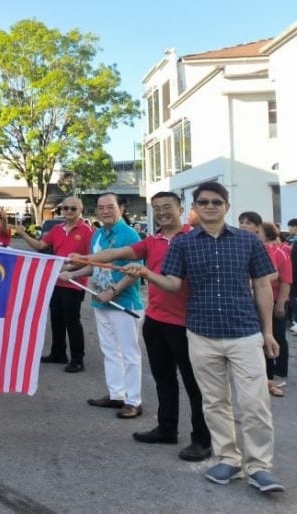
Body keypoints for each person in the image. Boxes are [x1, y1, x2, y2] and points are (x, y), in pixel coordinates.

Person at [128, 181, 284, 493]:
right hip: (201, 334)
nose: (210, 206)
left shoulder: (248, 241)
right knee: (215, 402)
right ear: (195, 208)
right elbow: (172, 283)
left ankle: (259, 466)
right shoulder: (183, 245)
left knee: (255, 403)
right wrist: (146, 274)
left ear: (226, 206)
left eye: (216, 201)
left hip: (244, 333)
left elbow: (264, 285)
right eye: (203, 202)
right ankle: (228, 458)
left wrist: (268, 331)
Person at [82, 192, 211, 460]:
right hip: (156, 320)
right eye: (157, 209)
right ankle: (167, 429)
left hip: (188, 323)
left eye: (168, 207)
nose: (162, 212)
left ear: (181, 208)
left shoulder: (195, 239)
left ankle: (202, 439)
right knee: (164, 380)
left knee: (194, 384)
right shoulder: (151, 241)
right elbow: (118, 253)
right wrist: (83, 260)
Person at [71, 193, 143, 418]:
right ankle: (116, 394)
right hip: (100, 302)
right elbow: (93, 266)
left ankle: (133, 401)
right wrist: (70, 272)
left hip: (123, 303)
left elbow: (135, 270)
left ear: (120, 209)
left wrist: (113, 290)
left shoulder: (129, 234)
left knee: (129, 354)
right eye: (101, 207)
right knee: (110, 351)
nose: (105, 211)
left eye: (110, 207)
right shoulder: (98, 234)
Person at [16, 197, 93, 372]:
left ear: (80, 210)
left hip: (74, 282)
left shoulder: (87, 231)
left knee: (72, 321)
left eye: (73, 208)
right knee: (56, 319)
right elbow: (41, 246)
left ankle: (77, 359)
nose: (69, 211)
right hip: (55, 281)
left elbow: (91, 259)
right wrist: (23, 234)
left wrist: (71, 267)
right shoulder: (57, 229)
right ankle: (58, 353)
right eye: (65, 208)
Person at [257, 222, 290, 397]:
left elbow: (285, 280)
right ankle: (267, 375)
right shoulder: (261, 249)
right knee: (263, 339)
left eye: (258, 231)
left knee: (277, 337)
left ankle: (280, 371)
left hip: (276, 300)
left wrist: (281, 303)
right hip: (258, 301)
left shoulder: (280, 252)